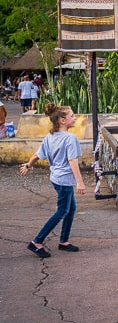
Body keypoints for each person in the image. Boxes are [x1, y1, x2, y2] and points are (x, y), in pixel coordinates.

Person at [20, 103, 86, 257]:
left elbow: (37, 155)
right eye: (72, 116)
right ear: (62, 120)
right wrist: (80, 182)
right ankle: (37, 241)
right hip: (64, 180)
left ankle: (63, 241)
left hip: (56, 178)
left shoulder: (50, 136)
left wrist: (28, 165)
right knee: (63, 210)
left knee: (70, 209)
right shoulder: (70, 138)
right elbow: (72, 161)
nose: (74, 118)